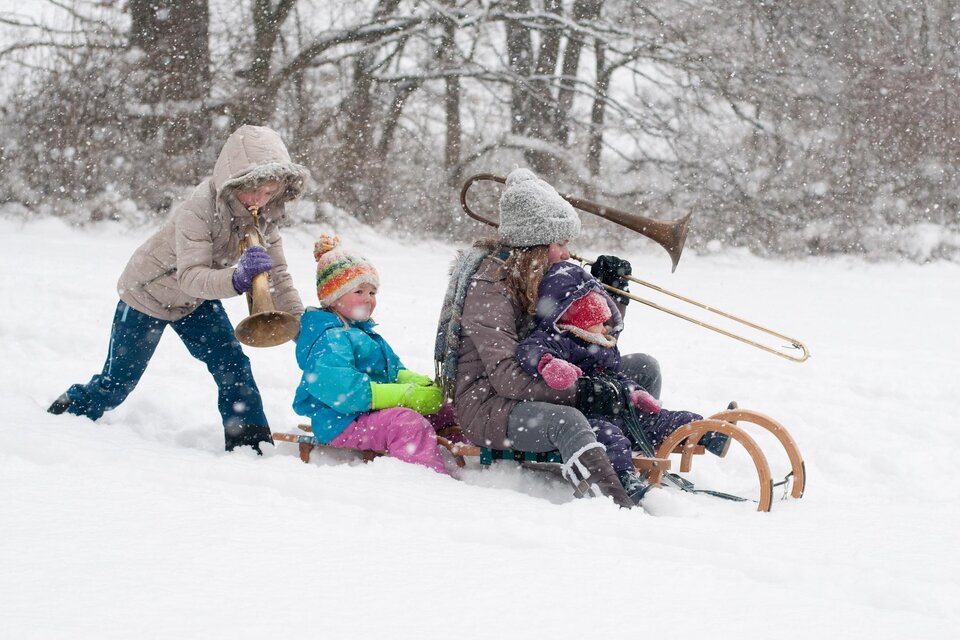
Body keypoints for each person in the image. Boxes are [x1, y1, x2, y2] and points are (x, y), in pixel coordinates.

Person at [47, 125, 309, 454]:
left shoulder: (264, 217)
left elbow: (278, 276)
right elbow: (190, 276)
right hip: (146, 295)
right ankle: (66, 411)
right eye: (254, 190)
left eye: (269, 192)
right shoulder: (197, 210)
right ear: (235, 181)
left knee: (233, 366)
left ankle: (251, 446)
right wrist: (236, 279)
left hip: (195, 302)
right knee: (117, 385)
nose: (259, 200)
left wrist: (303, 327)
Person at [435, 168, 666, 509]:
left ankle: (622, 462)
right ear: (535, 245)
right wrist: (583, 392)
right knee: (568, 421)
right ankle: (616, 505)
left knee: (644, 368)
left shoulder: (540, 274)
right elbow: (507, 377)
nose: (568, 254)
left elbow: (589, 340)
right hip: (490, 406)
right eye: (560, 244)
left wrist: (610, 294)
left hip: (545, 384)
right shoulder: (490, 286)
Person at [515, 260, 727, 502]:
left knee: (662, 419)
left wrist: (636, 393)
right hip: (588, 416)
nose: (606, 329)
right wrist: (549, 364)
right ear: (580, 322)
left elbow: (616, 376)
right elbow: (530, 350)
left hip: (619, 408)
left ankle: (710, 433)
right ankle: (624, 478)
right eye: (600, 323)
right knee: (609, 438)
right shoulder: (559, 339)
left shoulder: (601, 346)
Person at [292, 235, 449, 475]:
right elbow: (347, 393)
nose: (368, 299)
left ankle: (474, 462)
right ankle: (428, 478)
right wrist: (406, 396)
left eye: (372, 292)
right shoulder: (329, 338)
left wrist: (418, 384)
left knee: (446, 410)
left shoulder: (363, 332)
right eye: (359, 291)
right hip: (342, 422)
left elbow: (393, 370)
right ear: (333, 297)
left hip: (368, 413)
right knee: (406, 424)